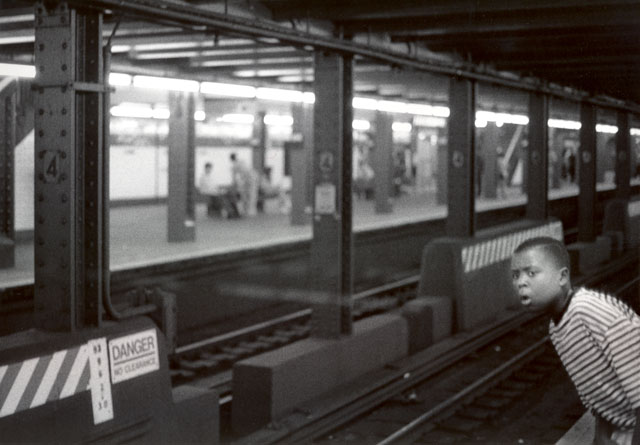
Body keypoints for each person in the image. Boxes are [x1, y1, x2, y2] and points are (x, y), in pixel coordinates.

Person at [511, 237, 640, 445]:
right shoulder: (557, 327)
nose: (520, 282)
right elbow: (598, 389)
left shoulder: (590, 311)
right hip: (626, 425)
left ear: (562, 277)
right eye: (515, 275)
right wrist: (601, 435)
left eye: (531, 273)